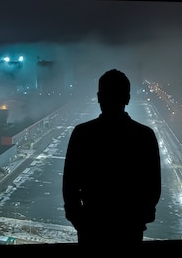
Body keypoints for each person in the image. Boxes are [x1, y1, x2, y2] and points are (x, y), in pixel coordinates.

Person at [62, 68, 161, 247]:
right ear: (128, 98)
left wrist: (80, 221)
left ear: (99, 97)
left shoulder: (82, 134)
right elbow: (153, 187)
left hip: (92, 226)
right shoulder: (144, 136)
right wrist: (138, 220)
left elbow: (70, 185)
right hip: (130, 228)